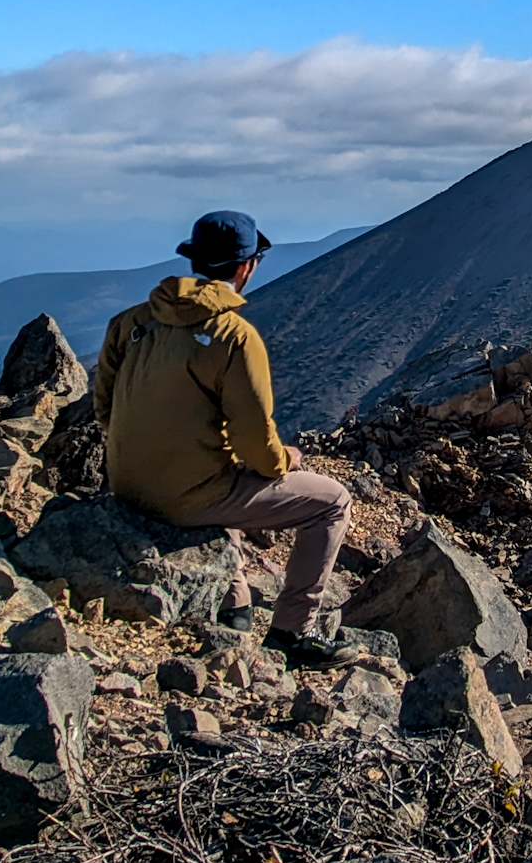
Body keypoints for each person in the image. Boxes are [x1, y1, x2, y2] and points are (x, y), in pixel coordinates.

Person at [93, 209, 352, 667]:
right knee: (331, 501)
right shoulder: (234, 335)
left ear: (193, 260)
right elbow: (255, 440)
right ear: (245, 267)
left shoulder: (130, 322)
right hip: (185, 499)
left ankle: (234, 606)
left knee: (221, 464)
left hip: (125, 485)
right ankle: (294, 631)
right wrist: (284, 460)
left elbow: (104, 409)